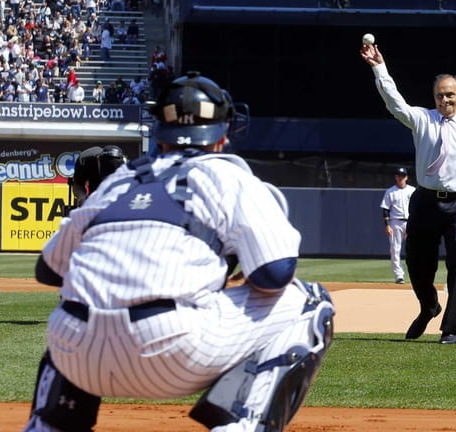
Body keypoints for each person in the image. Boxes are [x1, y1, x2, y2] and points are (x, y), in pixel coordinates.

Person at [21, 71, 334, 432]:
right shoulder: (229, 175)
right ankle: (239, 427)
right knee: (310, 302)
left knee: (79, 304)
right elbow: (274, 274)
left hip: (75, 356)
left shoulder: (119, 180)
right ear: (223, 133)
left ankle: (46, 426)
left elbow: (48, 270)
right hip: (171, 353)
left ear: (161, 132)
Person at [361, 43, 456, 345]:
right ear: (434, 97)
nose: (445, 100)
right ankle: (428, 306)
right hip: (425, 201)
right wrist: (379, 68)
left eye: (450, 94)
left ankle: (451, 328)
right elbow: (394, 102)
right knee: (417, 264)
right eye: (440, 95)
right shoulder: (421, 120)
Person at [380, 167, 415, 284]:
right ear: (396, 177)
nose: (401, 178)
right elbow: (385, 209)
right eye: (399, 175)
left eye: (403, 176)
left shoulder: (412, 190)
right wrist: (387, 225)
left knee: (415, 250)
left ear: (406, 177)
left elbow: (417, 207)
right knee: (395, 250)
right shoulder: (390, 191)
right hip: (395, 222)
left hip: (410, 222)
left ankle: (415, 274)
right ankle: (399, 276)